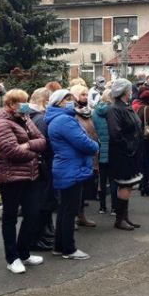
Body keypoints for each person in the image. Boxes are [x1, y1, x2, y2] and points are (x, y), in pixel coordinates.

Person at [0, 89, 48, 274]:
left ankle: (24, 252)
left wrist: (29, 145)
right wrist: (34, 152)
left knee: (32, 214)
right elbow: (12, 151)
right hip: (10, 177)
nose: (26, 105)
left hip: (31, 175)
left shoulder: (25, 118)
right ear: (11, 104)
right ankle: (12, 257)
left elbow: (42, 140)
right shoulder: (1, 123)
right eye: (22, 102)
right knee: (10, 218)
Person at [46, 89, 99, 260]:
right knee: (69, 211)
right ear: (59, 102)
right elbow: (83, 142)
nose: (72, 101)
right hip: (71, 168)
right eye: (68, 98)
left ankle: (59, 246)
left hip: (68, 167)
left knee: (65, 210)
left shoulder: (60, 118)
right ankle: (69, 249)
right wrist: (95, 146)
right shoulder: (64, 120)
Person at [106, 79, 144, 230]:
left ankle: (125, 218)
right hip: (122, 154)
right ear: (124, 92)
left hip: (131, 153)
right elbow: (116, 134)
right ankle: (119, 219)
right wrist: (129, 147)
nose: (131, 92)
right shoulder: (114, 109)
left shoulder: (126, 107)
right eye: (129, 90)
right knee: (124, 185)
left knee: (128, 186)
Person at [27, 88, 57, 251]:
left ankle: (40, 235)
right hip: (43, 165)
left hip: (36, 165)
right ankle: (36, 238)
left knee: (40, 202)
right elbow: (45, 143)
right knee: (42, 203)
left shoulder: (29, 116)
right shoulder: (41, 118)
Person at [69, 84, 99, 228]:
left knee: (83, 189)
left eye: (87, 94)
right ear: (74, 96)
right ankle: (73, 217)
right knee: (75, 189)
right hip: (78, 156)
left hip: (89, 154)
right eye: (82, 95)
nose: (86, 97)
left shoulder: (87, 112)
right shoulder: (72, 113)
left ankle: (81, 216)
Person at [92, 90, 116, 215]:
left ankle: (102, 207)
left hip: (100, 149)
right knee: (113, 180)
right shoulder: (114, 111)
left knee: (102, 179)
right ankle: (114, 208)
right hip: (113, 150)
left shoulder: (94, 112)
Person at [135, 89, 149, 196]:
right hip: (148, 139)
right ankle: (145, 186)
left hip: (141, 139)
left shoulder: (139, 107)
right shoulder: (148, 109)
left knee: (144, 163)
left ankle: (143, 184)